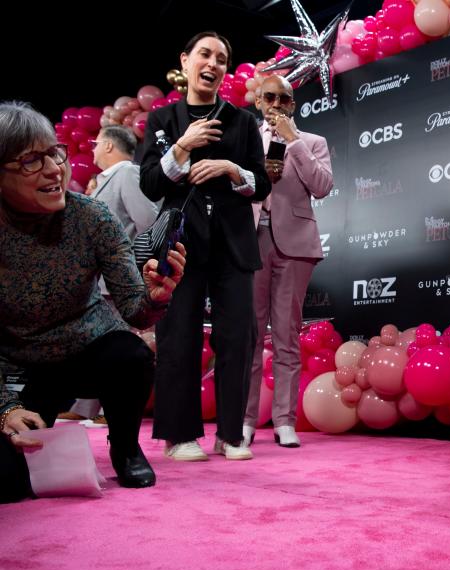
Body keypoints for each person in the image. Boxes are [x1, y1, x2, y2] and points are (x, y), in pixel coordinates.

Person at [0, 101, 185, 503]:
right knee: (9, 485)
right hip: (22, 370)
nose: (54, 169)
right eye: (31, 160)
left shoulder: (92, 218)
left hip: (87, 349)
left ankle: (125, 448)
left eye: (54, 153)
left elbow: (135, 310)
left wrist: (155, 298)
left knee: (131, 356)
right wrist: (6, 409)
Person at [140, 32, 270, 462]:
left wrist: (233, 169)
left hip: (233, 243)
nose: (213, 63)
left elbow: (262, 183)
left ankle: (231, 434)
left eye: (221, 57)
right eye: (205, 54)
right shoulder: (163, 121)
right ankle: (179, 436)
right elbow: (149, 183)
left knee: (237, 338)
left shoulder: (244, 121)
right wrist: (182, 147)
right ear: (186, 60)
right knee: (178, 336)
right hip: (180, 242)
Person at [242, 75, 333, 449]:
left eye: (284, 98)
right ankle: (244, 419)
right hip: (250, 243)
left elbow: (322, 185)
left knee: (286, 335)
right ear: (259, 102)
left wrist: (293, 140)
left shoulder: (312, 143)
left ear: (292, 105)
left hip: (295, 245)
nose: (277, 103)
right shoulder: (246, 141)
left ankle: (284, 421)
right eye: (270, 97)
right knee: (248, 335)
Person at [68, 125, 162, 424]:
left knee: (116, 340)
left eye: (96, 144)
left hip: (120, 277)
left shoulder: (126, 174)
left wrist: (125, 262)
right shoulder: (107, 179)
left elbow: (147, 220)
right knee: (97, 340)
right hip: (101, 280)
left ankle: (113, 408)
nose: (93, 150)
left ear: (109, 146)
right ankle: (85, 407)